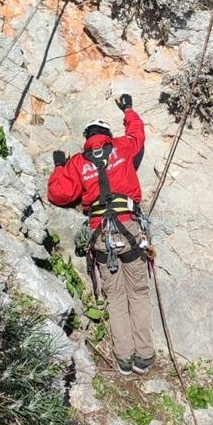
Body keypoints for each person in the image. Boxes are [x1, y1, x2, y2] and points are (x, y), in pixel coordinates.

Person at [47, 95, 155, 376]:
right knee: (139, 292)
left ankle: (124, 358)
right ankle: (144, 356)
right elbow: (137, 134)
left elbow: (59, 194)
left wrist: (60, 166)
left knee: (115, 296)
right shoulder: (121, 147)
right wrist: (128, 109)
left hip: (101, 235)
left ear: (87, 139)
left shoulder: (77, 164)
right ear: (107, 136)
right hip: (129, 228)